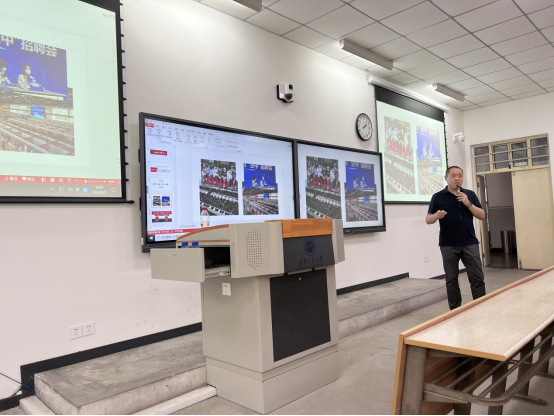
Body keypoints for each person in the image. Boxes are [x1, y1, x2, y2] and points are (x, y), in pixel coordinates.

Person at [427, 166, 487, 310]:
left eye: (460, 175)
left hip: (469, 242)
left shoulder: (469, 194)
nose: (457, 178)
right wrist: (436, 215)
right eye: (453, 176)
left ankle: (481, 308)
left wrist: (468, 203)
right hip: (448, 244)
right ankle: (455, 311)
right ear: (446, 178)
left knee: (477, 278)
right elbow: (428, 219)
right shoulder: (438, 197)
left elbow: (481, 215)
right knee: (451, 280)